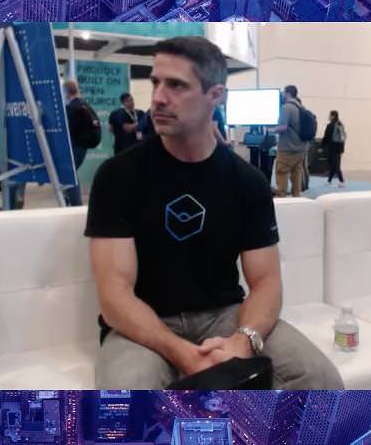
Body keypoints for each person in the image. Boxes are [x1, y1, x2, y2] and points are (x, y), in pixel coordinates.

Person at [85, 36, 342, 391]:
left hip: (224, 315)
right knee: (131, 392)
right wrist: (184, 354)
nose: (158, 97)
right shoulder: (118, 176)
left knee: (320, 378)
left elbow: (266, 282)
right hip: (143, 323)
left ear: (215, 95)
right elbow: (114, 294)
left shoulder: (247, 182)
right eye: (156, 82)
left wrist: (243, 341)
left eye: (176, 85)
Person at [271, 85, 309, 197]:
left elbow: (283, 127)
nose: (282, 95)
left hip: (287, 148)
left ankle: (282, 198)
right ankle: (296, 197)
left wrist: (271, 130)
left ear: (287, 93)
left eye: (284, 93)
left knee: (281, 173)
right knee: (296, 174)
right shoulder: (301, 108)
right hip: (301, 149)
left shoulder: (286, 107)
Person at [64, 78, 101, 169]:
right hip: (82, 147)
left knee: (69, 172)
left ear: (67, 92)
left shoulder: (71, 108)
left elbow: (68, 130)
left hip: (75, 146)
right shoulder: (85, 105)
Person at [322, 110, 346, 187]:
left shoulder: (330, 125)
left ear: (333, 116)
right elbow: (343, 136)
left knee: (335, 165)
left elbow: (326, 137)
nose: (329, 117)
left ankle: (341, 180)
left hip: (332, 147)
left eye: (330, 115)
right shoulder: (340, 124)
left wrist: (322, 145)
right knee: (334, 164)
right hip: (339, 147)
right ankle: (329, 180)